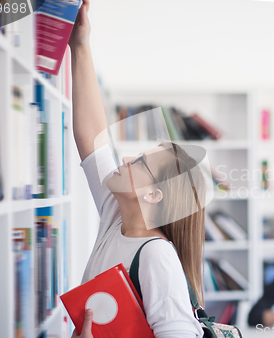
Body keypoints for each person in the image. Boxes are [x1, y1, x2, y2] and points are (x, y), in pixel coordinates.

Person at [68, 1, 205, 337]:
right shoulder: (118, 215)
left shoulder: (157, 257)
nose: (126, 159)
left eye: (140, 163)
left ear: (154, 193)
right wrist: (80, 45)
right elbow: (92, 139)